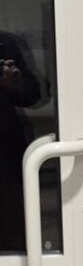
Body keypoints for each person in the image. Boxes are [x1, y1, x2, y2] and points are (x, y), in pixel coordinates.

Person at [0, 32, 42, 253]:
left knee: (11, 228)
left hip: (5, 153)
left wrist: (15, 84)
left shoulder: (6, 42)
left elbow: (36, 93)